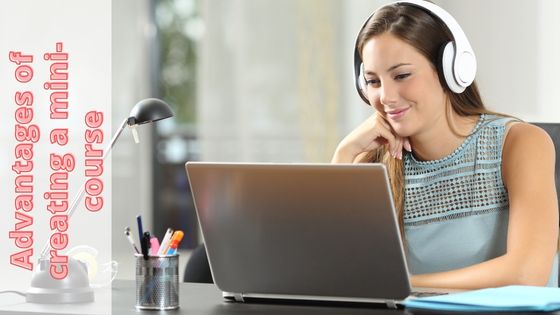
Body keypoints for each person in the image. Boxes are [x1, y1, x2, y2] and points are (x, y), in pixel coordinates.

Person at [332, 0, 559, 289]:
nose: (386, 96)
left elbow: (527, 274)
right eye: (373, 81)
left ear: (451, 69)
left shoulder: (519, 143)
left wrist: (403, 285)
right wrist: (344, 153)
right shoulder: (374, 162)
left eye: (401, 75)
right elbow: (340, 274)